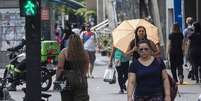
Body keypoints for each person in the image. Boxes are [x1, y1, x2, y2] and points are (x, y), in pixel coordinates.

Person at [56, 34, 89, 101]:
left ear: (69, 42)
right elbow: (86, 68)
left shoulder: (64, 52)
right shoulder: (84, 53)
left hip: (67, 81)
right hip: (81, 80)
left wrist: (57, 78)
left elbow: (60, 67)